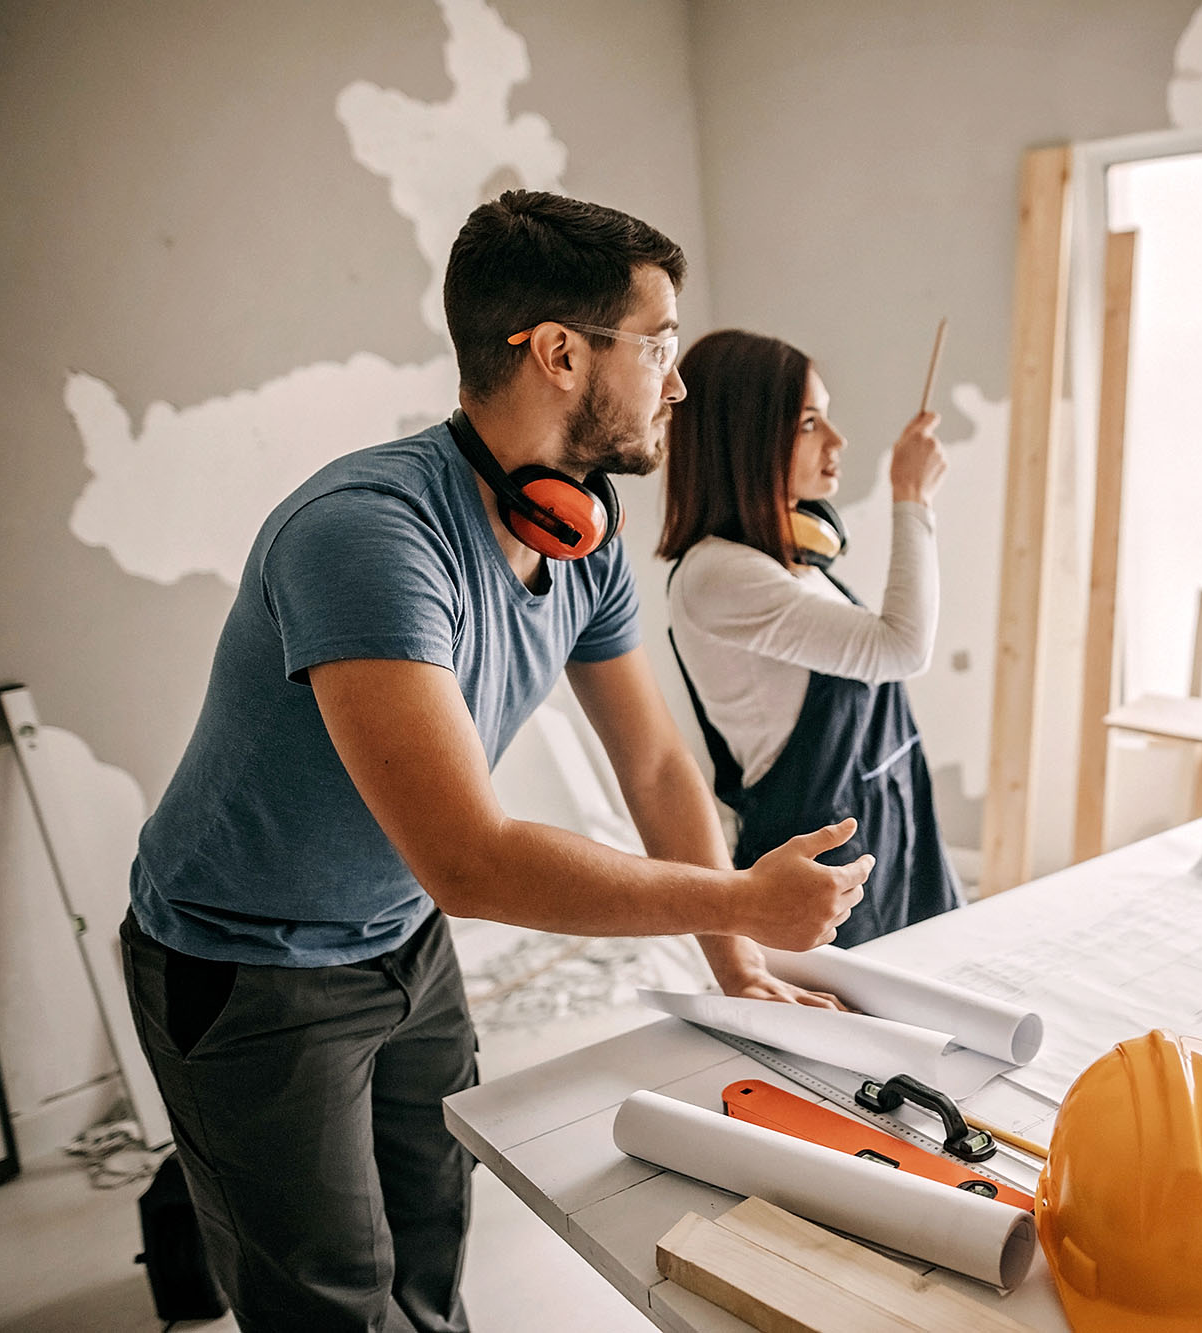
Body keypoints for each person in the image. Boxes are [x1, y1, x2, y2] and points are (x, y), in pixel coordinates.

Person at [119, 191, 868, 1333]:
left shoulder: (583, 534)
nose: (676, 382)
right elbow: (472, 860)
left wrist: (733, 951)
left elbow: (658, 766)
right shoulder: (368, 537)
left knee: (429, 1227)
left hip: (402, 940)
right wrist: (744, 895)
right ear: (562, 354)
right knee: (328, 1290)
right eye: (658, 344)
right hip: (246, 963)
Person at [658, 329, 962, 948]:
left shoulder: (792, 562)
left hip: (892, 823)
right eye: (808, 423)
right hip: (818, 858)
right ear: (746, 437)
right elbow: (901, 647)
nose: (837, 441)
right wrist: (911, 498)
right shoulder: (720, 576)